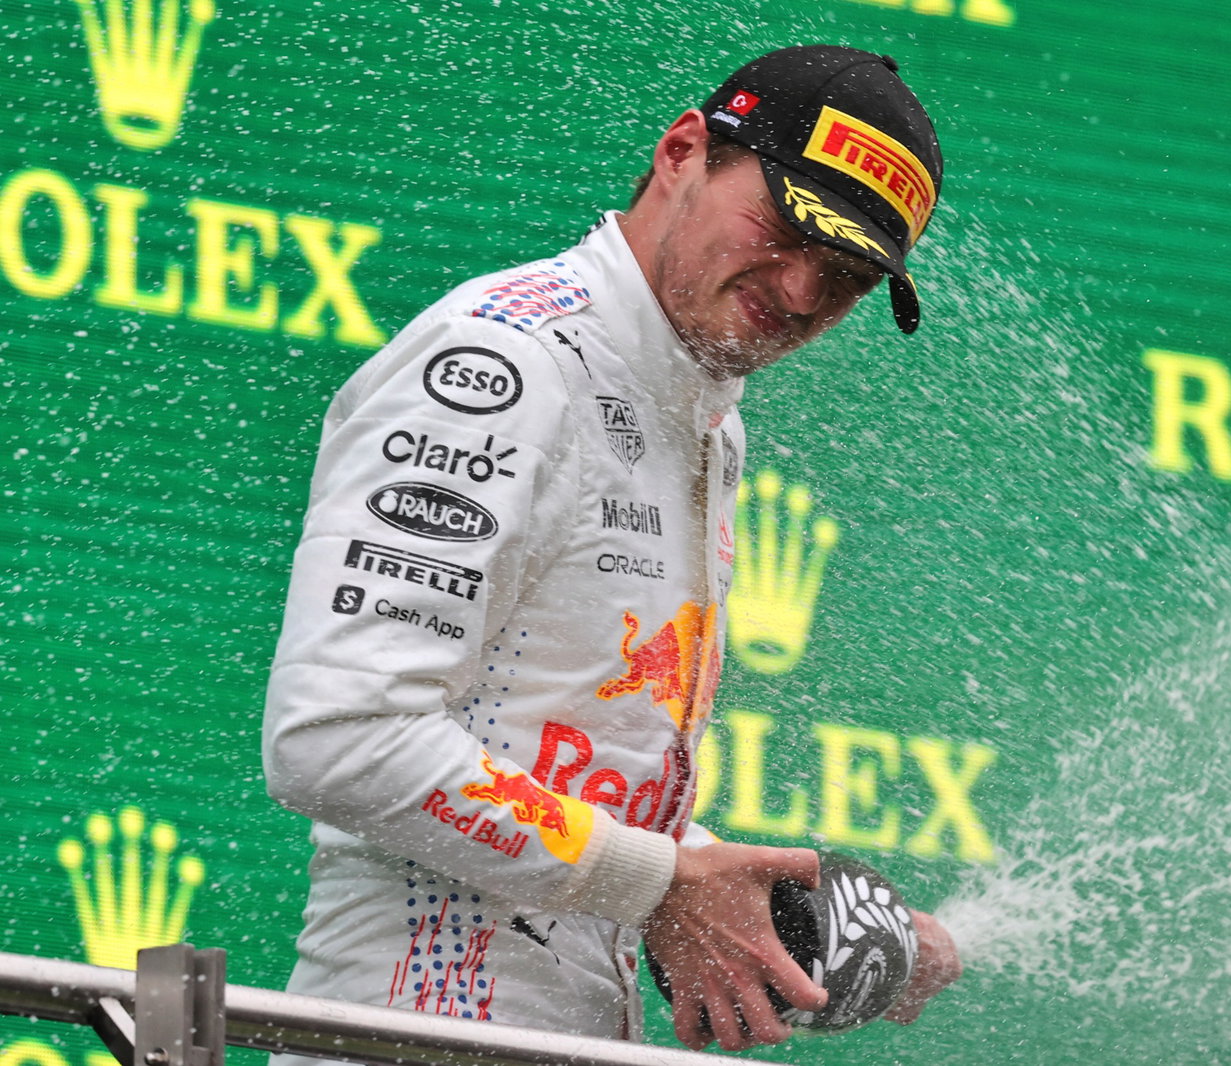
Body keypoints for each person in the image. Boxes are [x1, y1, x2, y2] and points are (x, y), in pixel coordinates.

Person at [262, 44, 960, 1057]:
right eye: (788, 226)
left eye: (850, 277)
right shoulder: (507, 362)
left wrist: (757, 902)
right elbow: (337, 732)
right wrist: (665, 880)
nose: (805, 289)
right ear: (682, 151)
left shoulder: (699, 414)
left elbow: (557, 770)